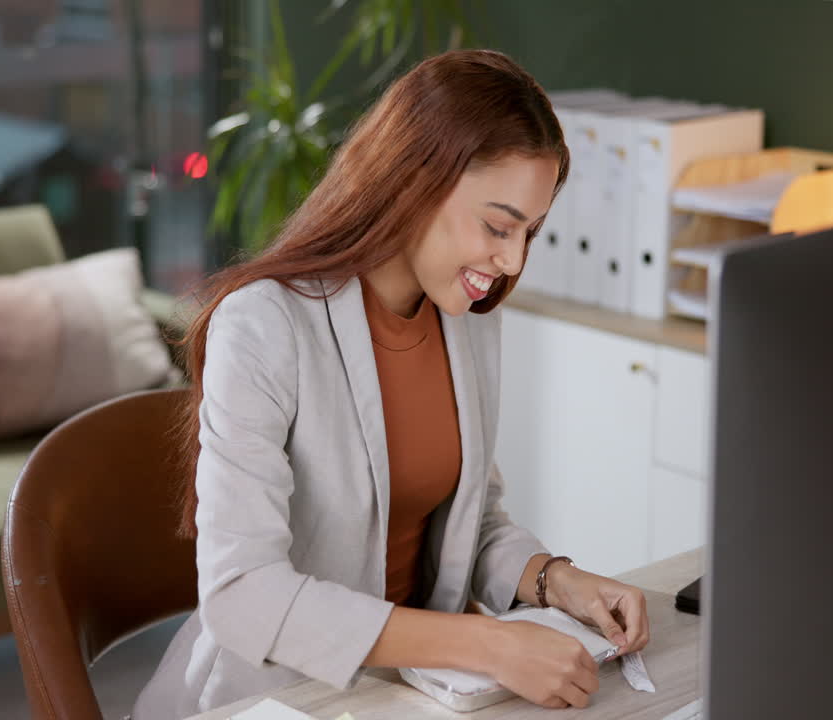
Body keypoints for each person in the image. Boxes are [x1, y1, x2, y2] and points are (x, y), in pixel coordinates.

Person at [133, 49, 650, 719]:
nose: (511, 261)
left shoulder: (468, 322)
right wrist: (486, 645)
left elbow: (473, 521)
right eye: (497, 226)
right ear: (413, 182)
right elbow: (242, 594)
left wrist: (558, 581)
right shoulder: (263, 326)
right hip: (275, 696)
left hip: (415, 693)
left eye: (530, 233)